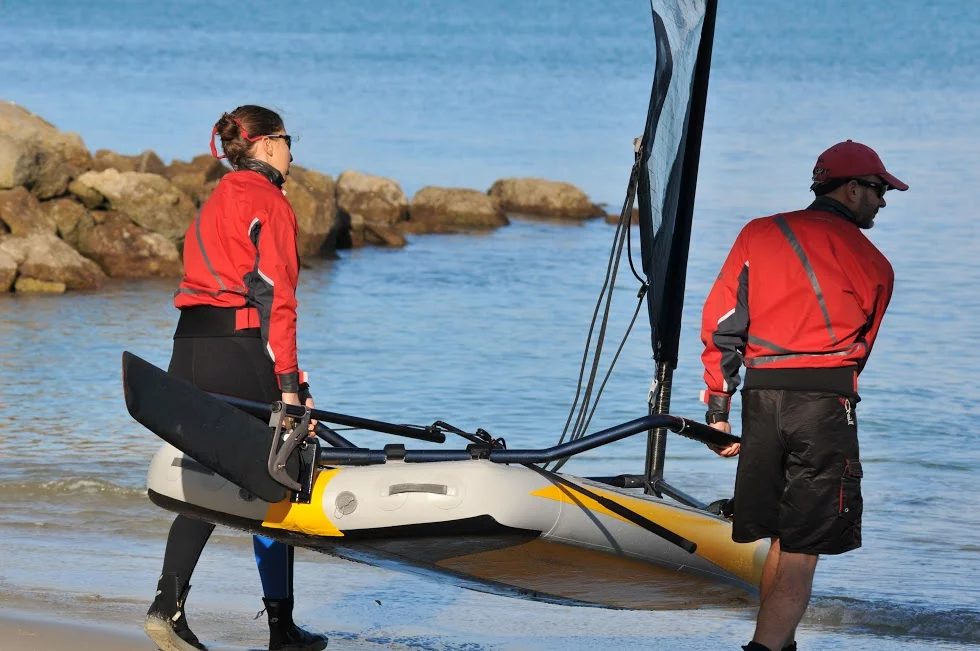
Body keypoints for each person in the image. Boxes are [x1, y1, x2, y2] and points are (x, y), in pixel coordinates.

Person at [698, 140, 907, 651]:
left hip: (761, 401)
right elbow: (859, 354)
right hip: (824, 406)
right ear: (852, 187)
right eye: (879, 190)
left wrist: (719, 411)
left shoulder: (758, 233)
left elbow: (724, 324)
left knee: (779, 538)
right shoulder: (877, 266)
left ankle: (777, 644)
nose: (883, 202)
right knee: (802, 550)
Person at [143, 105, 327, 651]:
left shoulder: (215, 200)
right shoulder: (269, 201)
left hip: (188, 347)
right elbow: (278, 299)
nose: (294, 152)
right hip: (237, 348)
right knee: (282, 469)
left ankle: (166, 607)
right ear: (267, 145)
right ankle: (282, 627)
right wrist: (290, 384)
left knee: (209, 476)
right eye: (289, 141)